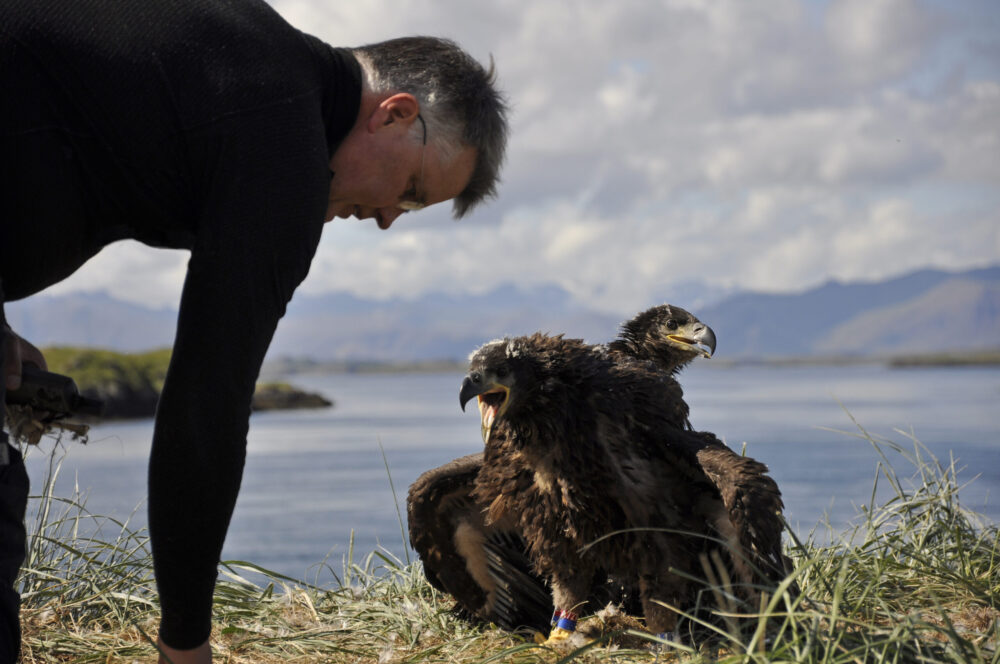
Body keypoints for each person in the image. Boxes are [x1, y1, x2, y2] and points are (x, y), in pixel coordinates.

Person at [0, 0, 509, 661]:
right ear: (396, 113)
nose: (389, 217)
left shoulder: (248, 55)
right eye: (410, 189)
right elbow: (207, 409)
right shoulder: (282, 143)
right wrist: (186, 642)